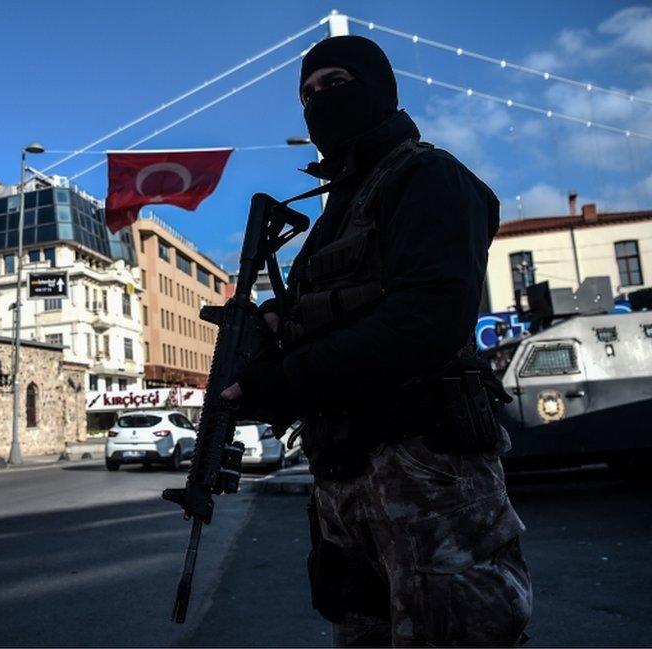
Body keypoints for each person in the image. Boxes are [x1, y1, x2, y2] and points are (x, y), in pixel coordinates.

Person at [221, 35, 533, 647]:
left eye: (334, 84)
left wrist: (288, 381)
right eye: (306, 94)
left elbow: (427, 323)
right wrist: (270, 338)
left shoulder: (429, 178)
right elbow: (329, 320)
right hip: (344, 479)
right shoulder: (339, 205)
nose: (317, 103)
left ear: (378, 89)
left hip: (425, 472)